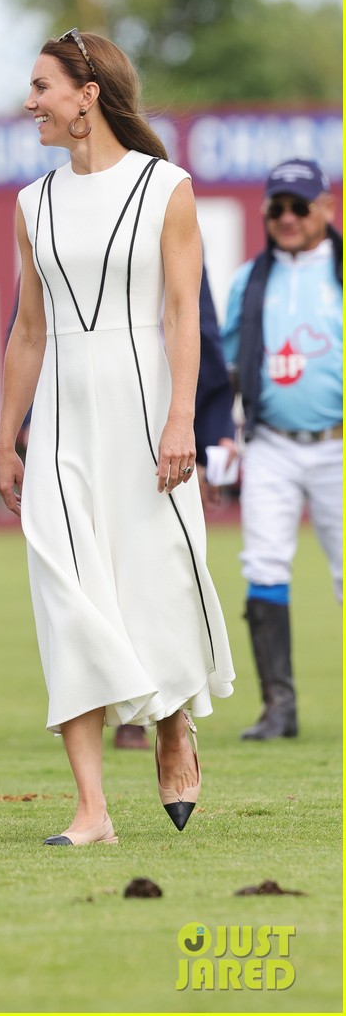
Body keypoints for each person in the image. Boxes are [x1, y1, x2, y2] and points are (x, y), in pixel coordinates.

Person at [0, 28, 234, 844]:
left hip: (144, 419)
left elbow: (180, 314)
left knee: (158, 581)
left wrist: (179, 419)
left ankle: (172, 721)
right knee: (65, 596)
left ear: (86, 93)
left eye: (41, 86)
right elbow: (28, 331)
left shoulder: (166, 189)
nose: (29, 102)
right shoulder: (32, 203)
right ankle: (91, 811)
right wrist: (5, 436)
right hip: (60, 426)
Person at [221, 158, 342, 741]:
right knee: (264, 563)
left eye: (300, 206)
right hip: (269, 441)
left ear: (327, 208)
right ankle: (279, 707)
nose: (288, 218)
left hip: (338, 444)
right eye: (278, 208)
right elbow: (226, 365)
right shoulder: (250, 279)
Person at [114, 266, 238, 750]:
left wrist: (205, 440)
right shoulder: (53, 210)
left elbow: (198, 329)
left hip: (155, 426)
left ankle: (162, 701)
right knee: (103, 569)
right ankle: (129, 696)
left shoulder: (168, 213)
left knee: (155, 565)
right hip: (83, 424)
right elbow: (33, 327)